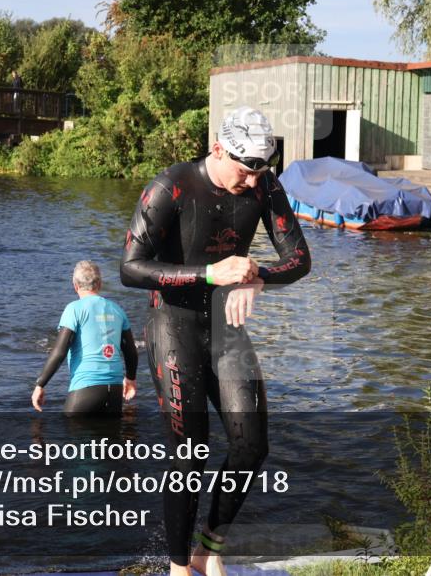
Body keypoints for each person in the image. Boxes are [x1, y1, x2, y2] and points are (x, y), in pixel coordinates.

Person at [120, 106, 311, 576]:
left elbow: (300, 258)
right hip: (172, 325)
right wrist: (209, 272)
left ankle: (210, 548)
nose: (251, 183)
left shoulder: (264, 185)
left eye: (260, 172)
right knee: (191, 452)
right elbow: (130, 269)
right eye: (245, 171)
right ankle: (179, 566)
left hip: (226, 329)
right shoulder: (171, 186)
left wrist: (257, 276)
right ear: (218, 149)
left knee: (251, 445)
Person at [32, 261, 138, 415]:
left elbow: (60, 352)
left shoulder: (74, 309)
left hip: (85, 389)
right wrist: (130, 379)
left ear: (75, 285)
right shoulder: (117, 309)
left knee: (69, 435)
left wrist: (40, 385)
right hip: (115, 391)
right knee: (111, 438)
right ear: (100, 284)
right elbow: (131, 352)